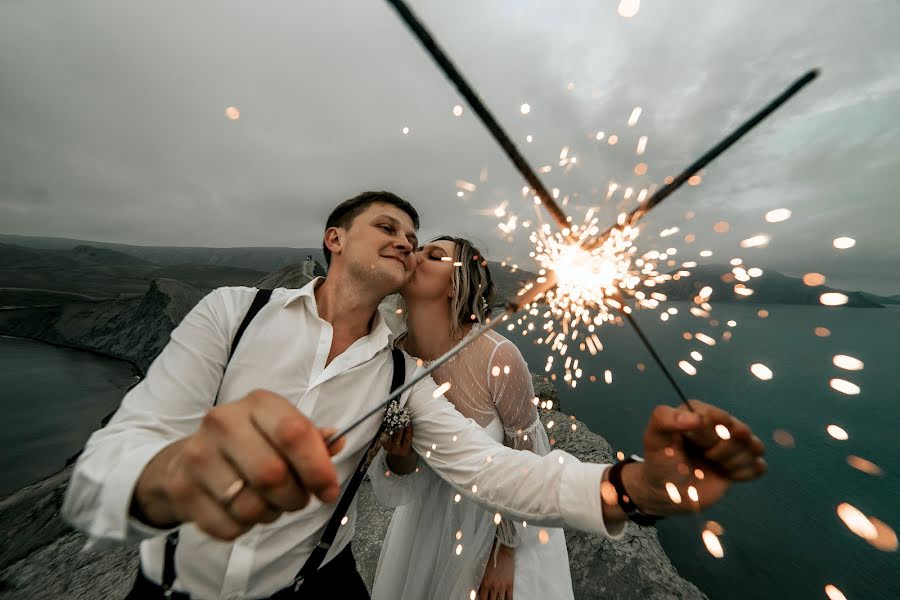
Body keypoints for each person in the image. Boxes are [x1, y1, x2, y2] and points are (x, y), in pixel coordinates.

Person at [61, 191, 767, 600]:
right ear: (334, 239)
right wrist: (174, 479)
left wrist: (641, 486)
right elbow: (102, 470)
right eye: (388, 227)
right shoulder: (230, 313)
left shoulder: (404, 376)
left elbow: (497, 470)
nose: (407, 241)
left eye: (416, 237)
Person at [370, 235, 575, 600]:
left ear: (455, 285)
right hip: (427, 526)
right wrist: (400, 458)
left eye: (433, 256)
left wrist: (505, 551)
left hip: (498, 521)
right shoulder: (393, 359)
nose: (415, 256)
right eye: (418, 250)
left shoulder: (498, 357)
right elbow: (401, 477)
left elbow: (529, 458)